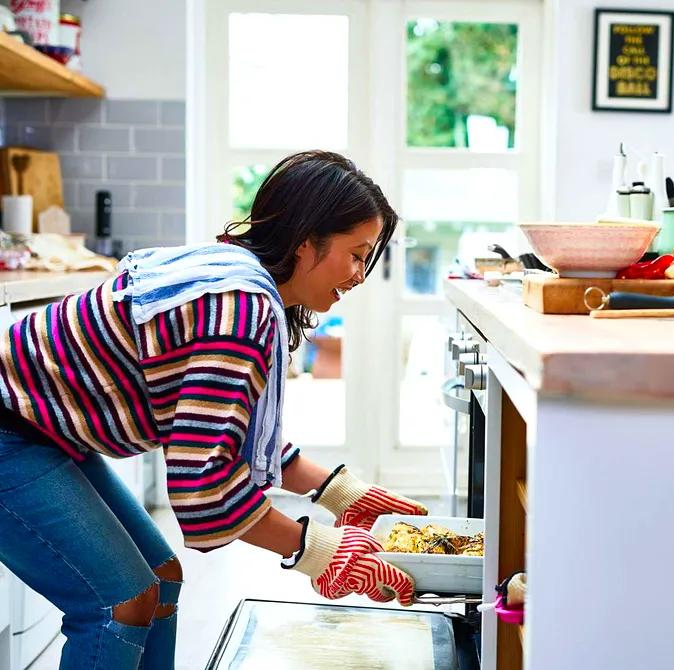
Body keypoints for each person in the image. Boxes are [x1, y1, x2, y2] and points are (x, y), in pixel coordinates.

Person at [0, 150, 428, 669]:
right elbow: (203, 492)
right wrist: (318, 552)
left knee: (161, 579)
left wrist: (339, 493)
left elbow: (223, 428)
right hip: (12, 432)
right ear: (306, 239)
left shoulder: (239, 278)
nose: (360, 275)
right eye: (356, 254)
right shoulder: (240, 309)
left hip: (44, 431)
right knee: (120, 603)